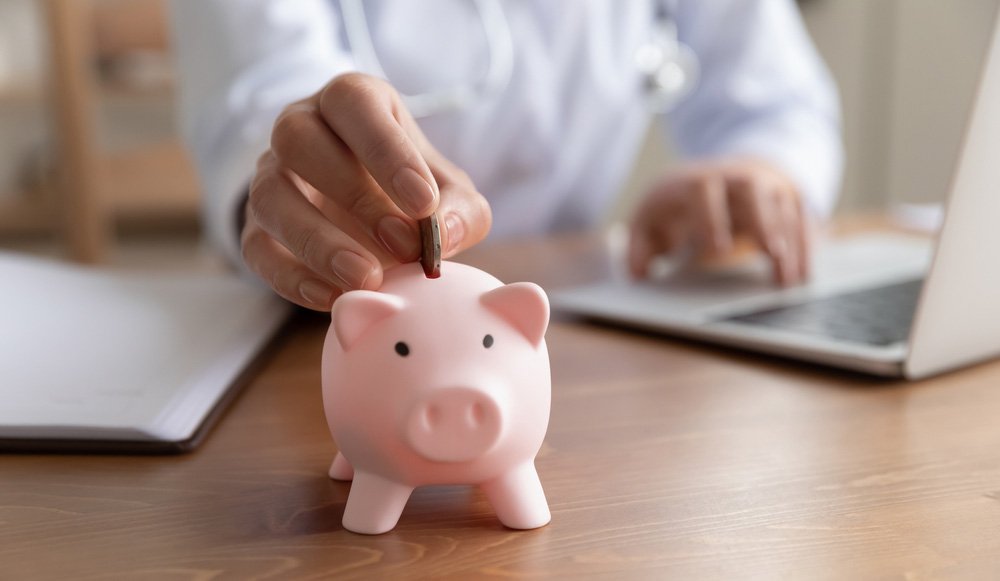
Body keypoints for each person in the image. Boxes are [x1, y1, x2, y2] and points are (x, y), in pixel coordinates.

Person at [170, 0, 842, 310]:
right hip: (314, 333)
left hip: (573, 324)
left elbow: (779, 104)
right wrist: (298, 172)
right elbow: (261, 94)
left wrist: (754, 172)